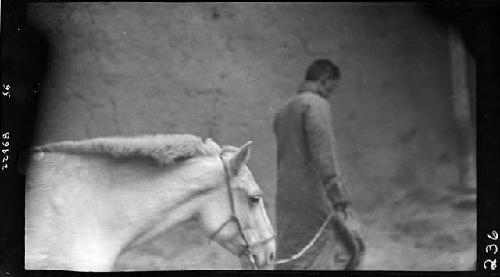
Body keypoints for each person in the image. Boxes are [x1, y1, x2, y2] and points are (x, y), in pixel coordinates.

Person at [273, 59, 365, 270]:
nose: (330, 94)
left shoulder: (283, 111)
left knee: (293, 255)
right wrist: (339, 200)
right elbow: (324, 157)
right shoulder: (315, 104)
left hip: (287, 199)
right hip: (314, 197)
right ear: (324, 81)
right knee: (340, 251)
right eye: (332, 88)